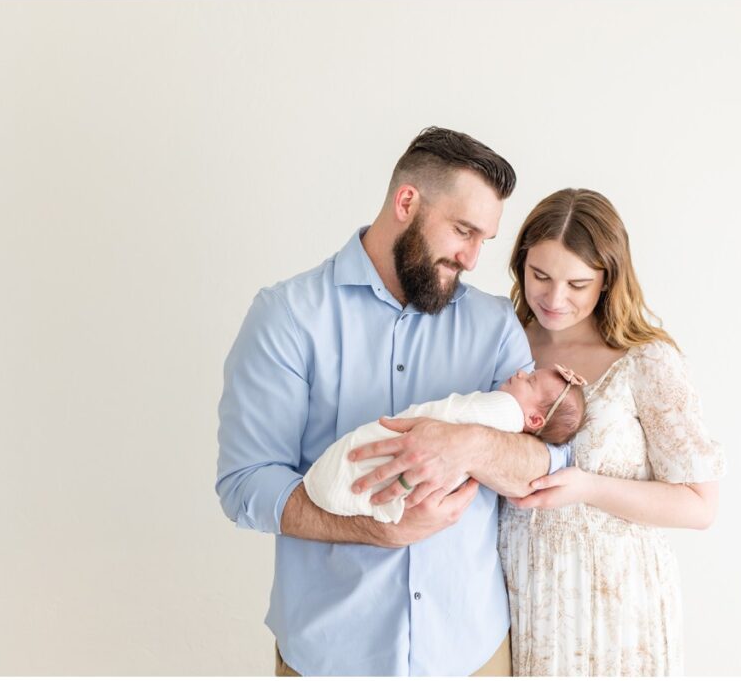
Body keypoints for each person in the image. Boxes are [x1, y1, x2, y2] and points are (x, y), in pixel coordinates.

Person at [215, 127, 570, 676]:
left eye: (485, 240)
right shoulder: (287, 318)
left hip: (470, 653)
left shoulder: (495, 325)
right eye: (463, 230)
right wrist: (374, 529)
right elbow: (246, 484)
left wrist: (467, 445)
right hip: (331, 658)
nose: (473, 258)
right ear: (407, 202)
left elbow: (545, 467)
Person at [498, 188, 727, 676]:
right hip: (515, 596)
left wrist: (588, 487)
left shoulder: (646, 360)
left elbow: (700, 506)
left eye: (577, 284)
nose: (554, 299)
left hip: (615, 608)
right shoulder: (500, 342)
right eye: (539, 275)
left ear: (608, 280)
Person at [304, 365, 586, 524]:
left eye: (531, 380)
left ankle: (337, 483)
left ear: (535, 419)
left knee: (368, 460)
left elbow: (454, 414)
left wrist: (463, 442)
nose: (521, 373)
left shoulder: (506, 410)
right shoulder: (510, 420)